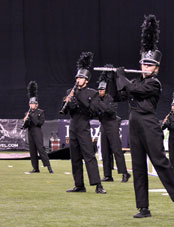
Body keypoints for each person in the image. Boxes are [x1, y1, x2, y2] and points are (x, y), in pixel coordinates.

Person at [115, 15, 174, 218]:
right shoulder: (137, 81)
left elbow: (133, 89)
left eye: (149, 65)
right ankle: (143, 207)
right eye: (143, 64)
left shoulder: (153, 83)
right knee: (138, 166)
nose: (145, 68)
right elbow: (121, 95)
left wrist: (121, 77)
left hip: (148, 123)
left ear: (156, 68)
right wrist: (113, 79)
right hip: (134, 123)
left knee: (159, 162)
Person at [61, 52, 106, 194]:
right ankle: (79, 185)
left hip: (84, 127)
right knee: (74, 158)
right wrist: (68, 103)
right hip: (73, 127)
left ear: (86, 80)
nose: (78, 80)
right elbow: (66, 111)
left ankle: (98, 184)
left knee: (89, 156)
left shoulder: (92, 93)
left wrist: (77, 100)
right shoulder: (71, 91)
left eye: (81, 78)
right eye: (77, 77)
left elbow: (92, 110)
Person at [92, 70, 130, 183]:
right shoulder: (99, 99)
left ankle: (124, 173)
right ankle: (108, 175)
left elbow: (109, 110)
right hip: (103, 125)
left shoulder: (111, 98)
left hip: (112, 125)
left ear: (106, 90)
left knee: (117, 150)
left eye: (102, 89)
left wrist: (98, 104)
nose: (100, 91)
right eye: (99, 89)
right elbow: (95, 112)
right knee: (105, 151)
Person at [22, 81, 53, 174]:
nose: (32, 105)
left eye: (33, 104)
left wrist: (31, 117)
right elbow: (26, 126)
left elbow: (39, 123)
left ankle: (49, 167)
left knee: (41, 149)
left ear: (36, 104)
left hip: (37, 132)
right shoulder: (27, 113)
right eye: (30, 104)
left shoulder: (40, 112)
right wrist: (25, 121)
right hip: (30, 132)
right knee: (32, 151)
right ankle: (35, 168)